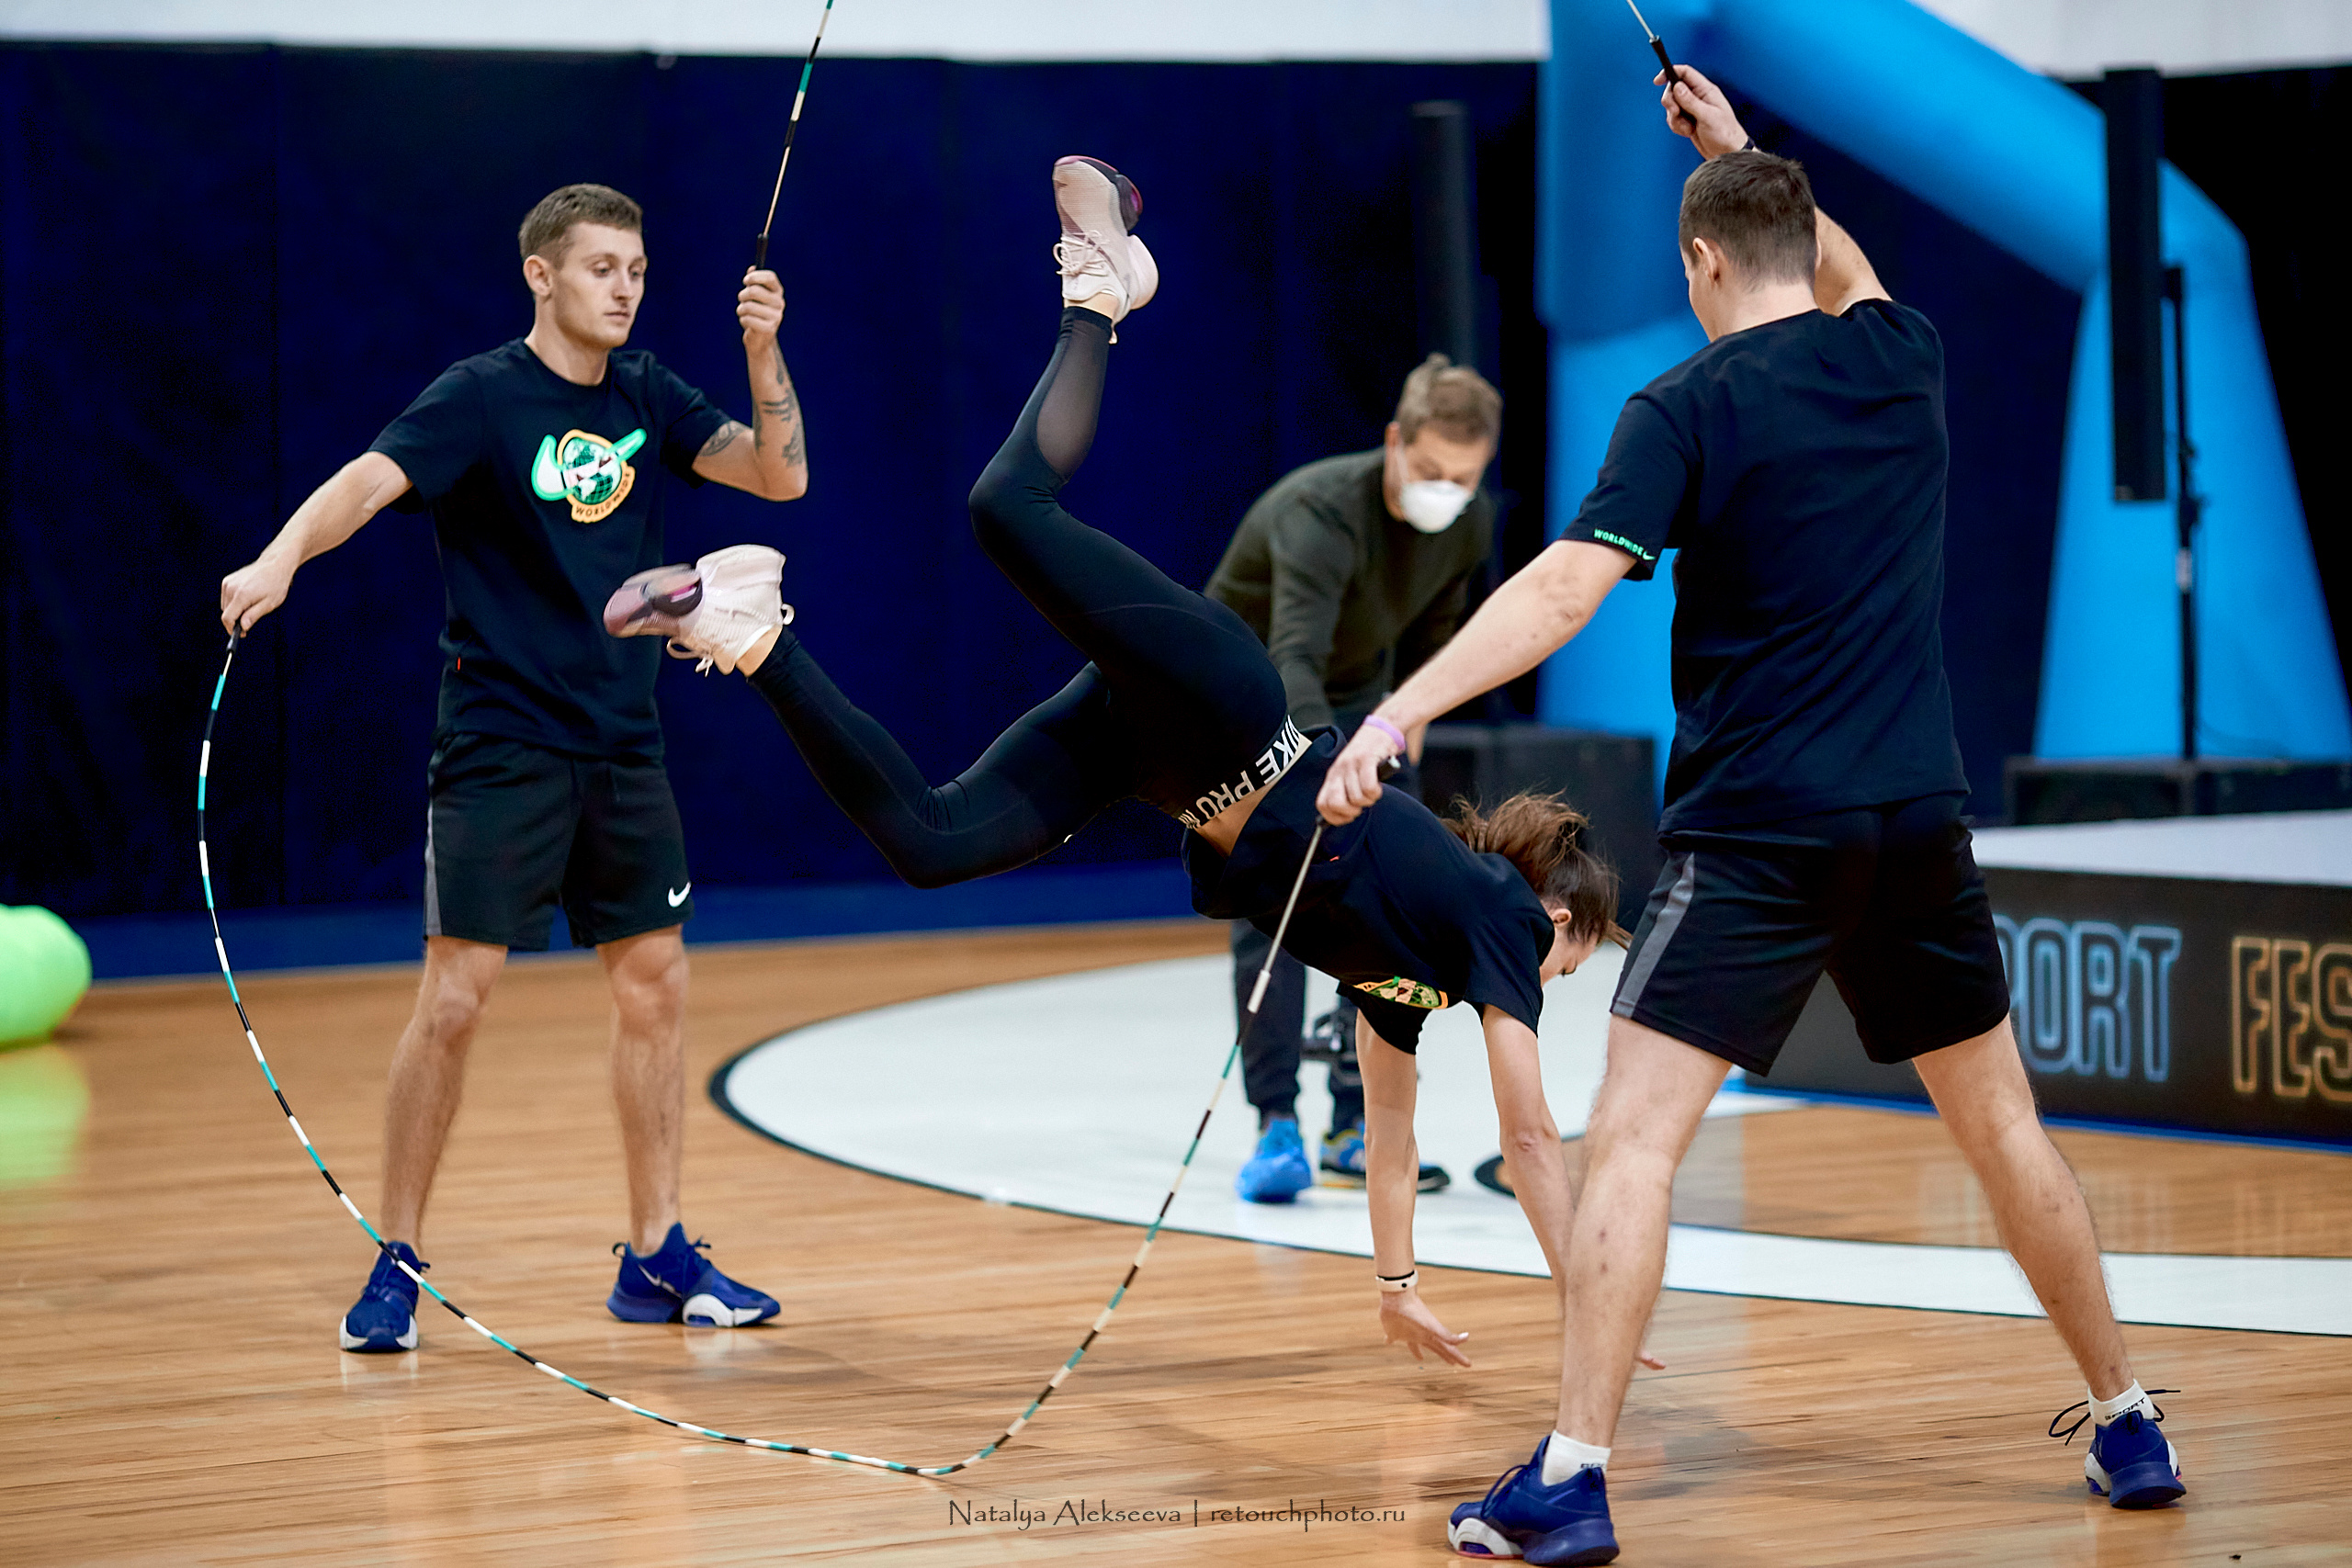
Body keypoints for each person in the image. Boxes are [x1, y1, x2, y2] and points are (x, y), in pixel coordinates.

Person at [1316, 71, 2186, 1565]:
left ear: (1700, 266)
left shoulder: (1683, 406)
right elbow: (1844, 267)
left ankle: (1573, 1476)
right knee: (2004, 1131)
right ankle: (2126, 1417)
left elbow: (1564, 587)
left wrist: (1399, 716)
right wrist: (1743, 156)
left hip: (1762, 835)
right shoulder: (1903, 356)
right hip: (1917, 819)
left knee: (1635, 1142)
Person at [605, 155, 1622, 1372]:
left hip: (1162, 768)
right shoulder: (1504, 918)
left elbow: (1394, 1134)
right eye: (1577, 956)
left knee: (932, 842)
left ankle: (750, 629)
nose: (1558, 978)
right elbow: (1531, 1132)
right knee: (1004, 507)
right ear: (1557, 915)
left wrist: (1395, 1283)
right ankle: (1104, 288)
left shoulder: (1411, 981)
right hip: (1232, 709)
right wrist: (1589, 1298)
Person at [218, 183, 811, 1352]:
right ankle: (396, 1259)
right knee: (456, 995)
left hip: (624, 741)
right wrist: (280, 556)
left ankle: (656, 1256)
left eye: (636, 269)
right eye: (600, 268)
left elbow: (777, 476)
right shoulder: (482, 396)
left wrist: (762, 347)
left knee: (656, 982)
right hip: (499, 742)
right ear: (540, 275)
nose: (625, 287)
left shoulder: (648, 392)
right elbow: (367, 482)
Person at [1204, 354, 1501, 1202]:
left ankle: (1354, 1120)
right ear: (1394, 442)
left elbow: (1433, 651)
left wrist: (1397, 762)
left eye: (1466, 477)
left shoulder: (1468, 523)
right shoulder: (1320, 512)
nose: (1448, 490)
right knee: (1277, 907)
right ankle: (1275, 1124)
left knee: (1378, 908)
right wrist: (1312, 785)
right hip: (1250, 699)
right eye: (1433, 470)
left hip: (1365, 710)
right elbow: (1292, 652)